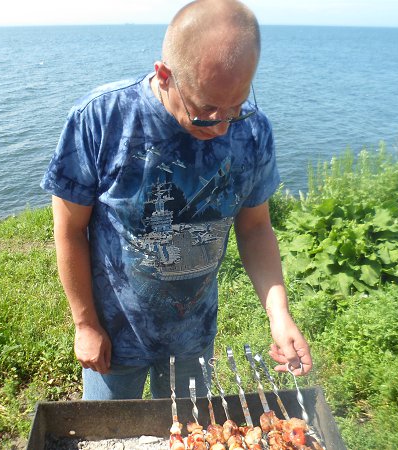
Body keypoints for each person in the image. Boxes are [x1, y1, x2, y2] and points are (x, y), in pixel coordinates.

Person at [40, 0, 312, 400]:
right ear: (165, 75)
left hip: (193, 337)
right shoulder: (101, 118)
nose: (221, 127)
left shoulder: (253, 132)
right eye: (206, 109)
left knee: (191, 429)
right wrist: (85, 324)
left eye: (235, 107)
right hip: (114, 335)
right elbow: (69, 229)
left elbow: (255, 229)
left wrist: (279, 315)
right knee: (113, 428)